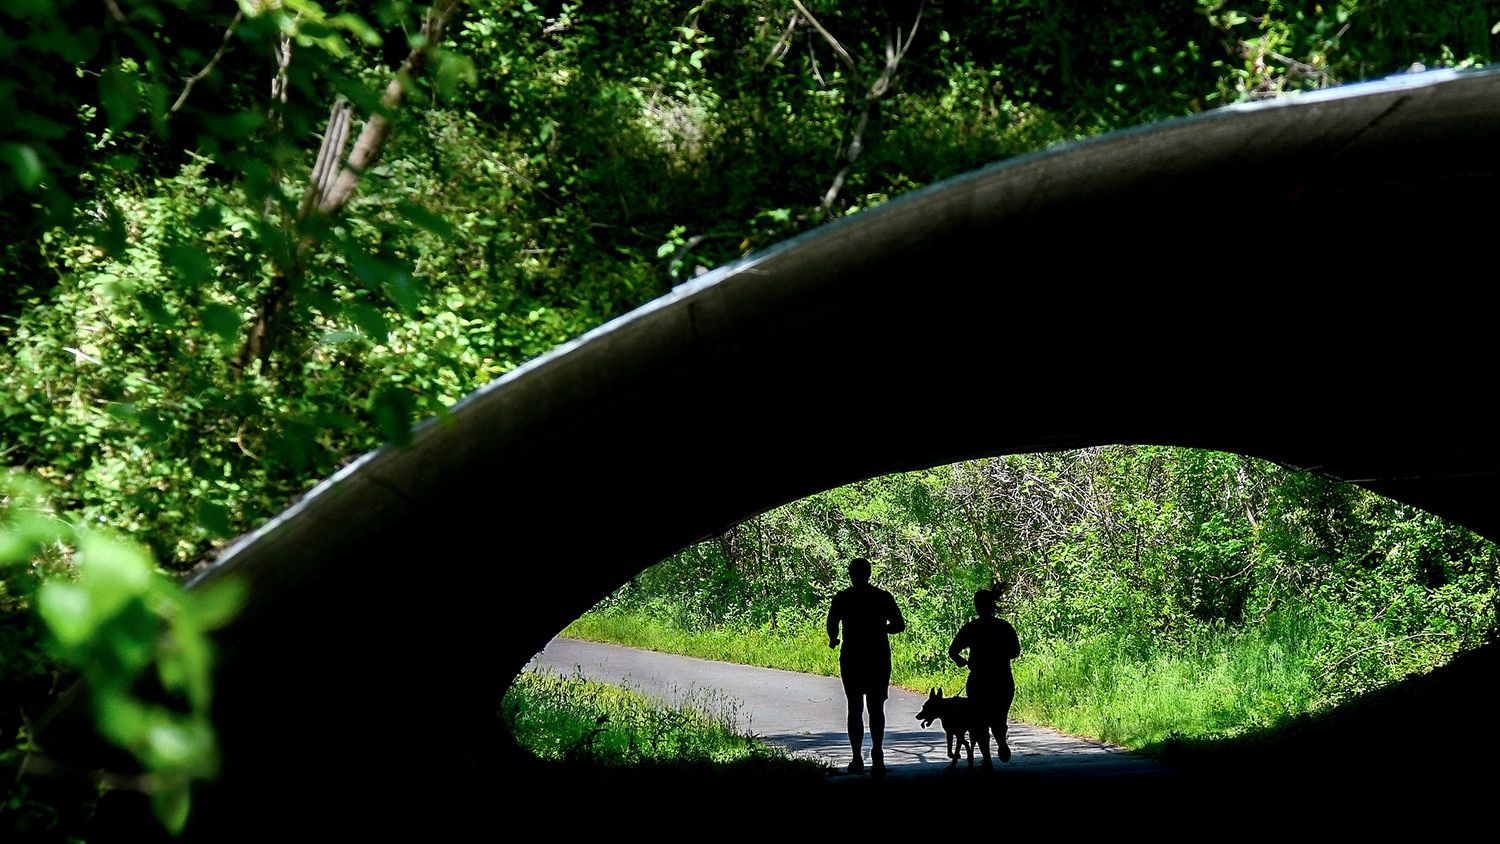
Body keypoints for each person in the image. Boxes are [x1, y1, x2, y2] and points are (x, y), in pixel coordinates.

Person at [825, 556, 906, 775]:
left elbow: (832, 623)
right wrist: (881, 629)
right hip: (878, 656)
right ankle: (877, 755)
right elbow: (899, 625)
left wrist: (834, 639)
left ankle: (856, 758)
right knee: (876, 707)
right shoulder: (882, 597)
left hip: (852, 657)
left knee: (855, 707)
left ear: (850, 574)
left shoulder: (843, 598)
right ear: (869, 574)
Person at [948, 587, 1021, 767]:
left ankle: (987, 759)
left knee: (979, 720)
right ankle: (1001, 740)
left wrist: (961, 661)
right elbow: (1015, 652)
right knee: (999, 715)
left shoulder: (971, 628)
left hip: (978, 680)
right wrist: (998, 656)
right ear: (992, 605)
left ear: (976, 606)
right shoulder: (1003, 627)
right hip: (1002, 679)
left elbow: (953, 651)